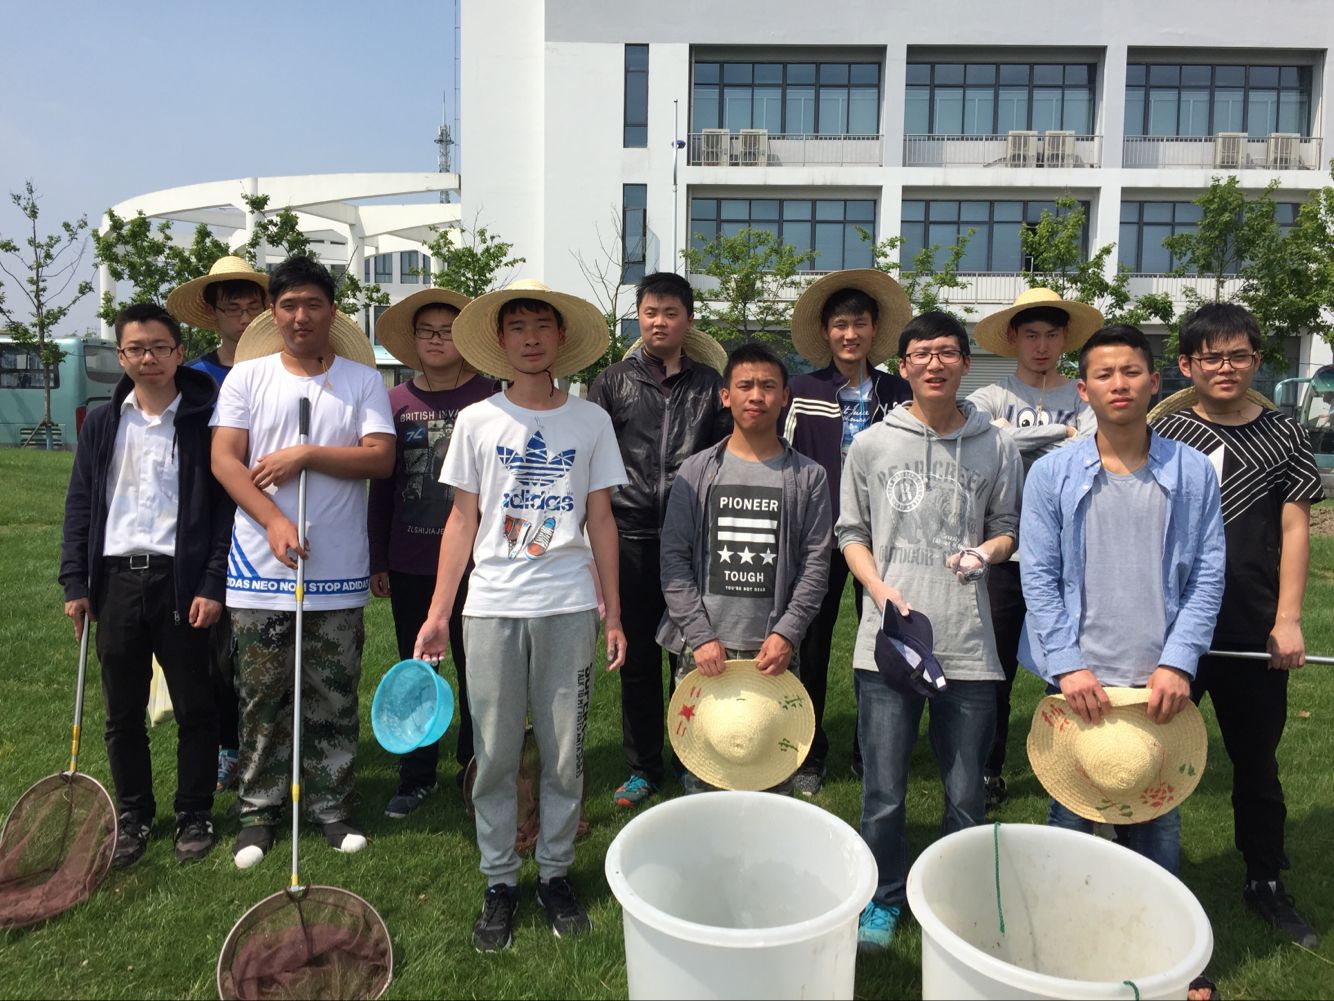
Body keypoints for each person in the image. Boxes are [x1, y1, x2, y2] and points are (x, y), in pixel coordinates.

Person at [413, 280, 627, 952]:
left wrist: (613, 614)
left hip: (568, 604)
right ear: (501, 340)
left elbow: (600, 519)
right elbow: (461, 519)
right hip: (492, 606)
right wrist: (439, 612)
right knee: (495, 753)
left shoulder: (590, 421)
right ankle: (500, 880)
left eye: (542, 326)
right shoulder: (479, 420)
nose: (531, 338)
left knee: (565, 755)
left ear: (561, 338)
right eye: (518, 327)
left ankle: (556, 872)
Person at [836, 311, 1022, 952]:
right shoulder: (872, 445)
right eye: (922, 353)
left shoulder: (997, 445)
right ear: (904, 366)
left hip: (968, 642)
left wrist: (987, 553)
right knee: (883, 790)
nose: (935, 363)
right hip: (889, 640)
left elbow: (1007, 527)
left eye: (947, 352)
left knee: (966, 792)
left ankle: (954, 902)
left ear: (966, 362)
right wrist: (878, 589)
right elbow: (851, 532)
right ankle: (883, 898)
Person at [210, 256, 395, 869]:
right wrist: (272, 519)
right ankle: (258, 810)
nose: (300, 316)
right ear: (273, 313)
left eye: (313, 304)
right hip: (260, 569)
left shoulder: (361, 381)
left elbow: (379, 458)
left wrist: (308, 454)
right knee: (261, 694)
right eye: (288, 305)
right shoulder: (247, 378)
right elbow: (225, 460)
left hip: (336, 567)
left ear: (331, 312)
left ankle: (331, 803)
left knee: (332, 692)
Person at [1019, 325, 1225, 871]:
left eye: (1131, 372)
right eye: (1104, 374)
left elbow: (1207, 574)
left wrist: (1179, 662)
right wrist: (1067, 665)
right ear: (1083, 389)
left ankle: (1158, 923)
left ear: (1154, 382)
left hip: (1158, 677)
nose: (1119, 384)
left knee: (1157, 814)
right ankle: (1065, 916)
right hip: (1079, 676)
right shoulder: (1051, 474)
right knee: (1073, 812)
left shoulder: (1192, 471)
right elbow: (1038, 577)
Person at [1152, 303, 1325, 948]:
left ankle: (1265, 880)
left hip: (1253, 628)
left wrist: (1288, 620)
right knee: (1149, 756)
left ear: (1256, 359)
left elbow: (1295, 529)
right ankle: (1140, 872)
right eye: (1211, 357)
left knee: (1256, 762)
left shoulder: (1285, 434)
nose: (1225, 368)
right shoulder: (1164, 433)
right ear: (1186, 365)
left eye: (1239, 356)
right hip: (1171, 631)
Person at [59, 302, 232, 866]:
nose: (148, 358)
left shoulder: (205, 419)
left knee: (195, 706)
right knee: (122, 711)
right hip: (114, 580)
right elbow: (81, 503)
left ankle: (194, 811)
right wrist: (74, 581)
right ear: (121, 356)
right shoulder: (105, 421)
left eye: (159, 347)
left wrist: (213, 582)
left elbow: (223, 512)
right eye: (135, 348)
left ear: (179, 352)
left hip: (181, 581)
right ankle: (132, 814)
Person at [657, 342, 832, 792]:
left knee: (770, 775)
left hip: (771, 653)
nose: (757, 395)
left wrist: (787, 633)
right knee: (705, 772)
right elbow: (674, 559)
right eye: (746, 385)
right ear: (726, 396)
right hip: (704, 651)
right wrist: (700, 635)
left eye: (768, 386)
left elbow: (816, 565)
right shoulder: (696, 472)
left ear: (785, 396)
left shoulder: (809, 477)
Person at [588, 271, 730, 809]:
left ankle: (695, 759)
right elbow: (593, 461)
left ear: (688, 321)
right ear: (639, 318)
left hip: (694, 540)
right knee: (639, 659)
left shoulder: (710, 385)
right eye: (651, 312)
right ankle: (643, 767)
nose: (660, 322)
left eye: (671, 313)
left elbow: (725, 457)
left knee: (696, 655)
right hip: (628, 538)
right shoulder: (612, 383)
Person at [966, 288, 1102, 810]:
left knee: (1069, 665)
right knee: (994, 668)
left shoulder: (1085, 394)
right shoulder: (990, 394)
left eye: (1051, 335)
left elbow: (1091, 452)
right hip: (1003, 552)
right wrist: (1060, 432)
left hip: (1071, 554)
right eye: (1031, 335)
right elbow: (987, 442)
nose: (1041, 346)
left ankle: (1071, 765)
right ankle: (988, 769)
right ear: (1014, 339)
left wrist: (1021, 437)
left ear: (1065, 339)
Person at [367, 288, 499, 819]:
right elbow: (382, 486)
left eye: (448, 331)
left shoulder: (491, 397)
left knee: (478, 671)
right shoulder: (395, 403)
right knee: (417, 669)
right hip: (411, 558)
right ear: (413, 342)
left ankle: (475, 768)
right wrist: (379, 557)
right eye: (427, 332)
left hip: (481, 563)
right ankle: (416, 774)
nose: (437, 340)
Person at [782, 269, 911, 794]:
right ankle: (809, 753)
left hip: (883, 538)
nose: (850, 334)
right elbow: (784, 461)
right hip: (817, 537)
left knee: (883, 639)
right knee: (810, 646)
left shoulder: (898, 392)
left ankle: (871, 749)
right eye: (840, 325)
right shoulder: (801, 391)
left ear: (874, 329)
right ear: (826, 331)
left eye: (859, 324)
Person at [166, 255, 270, 794]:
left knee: (266, 648)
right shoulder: (196, 380)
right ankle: (228, 744)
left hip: (272, 519)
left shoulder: (282, 369)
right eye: (233, 307)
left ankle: (276, 745)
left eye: (253, 306)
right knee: (215, 649)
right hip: (209, 522)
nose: (244, 317)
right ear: (213, 313)